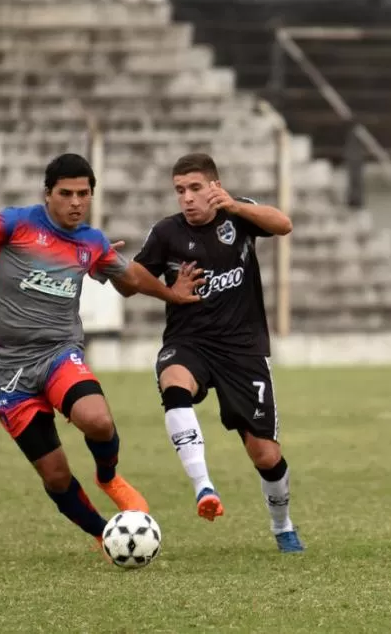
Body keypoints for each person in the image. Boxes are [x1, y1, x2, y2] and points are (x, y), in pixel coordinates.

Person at [0, 153, 203, 555]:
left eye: (84, 194)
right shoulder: (18, 223)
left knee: (98, 420)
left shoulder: (91, 242)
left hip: (58, 353)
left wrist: (171, 293)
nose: (76, 202)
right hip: (4, 370)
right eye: (66, 193)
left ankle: (108, 477)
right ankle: (103, 534)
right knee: (56, 476)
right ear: (48, 195)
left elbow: (128, 280)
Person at [121, 152, 304, 553]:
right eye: (179, 190)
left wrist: (236, 205)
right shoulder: (166, 233)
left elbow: (284, 225)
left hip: (243, 349)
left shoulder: (238, 216)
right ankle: (204, 487)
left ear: (214, 187)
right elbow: (129, 281)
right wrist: (131, 275)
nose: (186, 198)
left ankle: (282, 526)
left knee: (265, 454)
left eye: (195, 188)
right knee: (173, 381)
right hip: (190, 342)